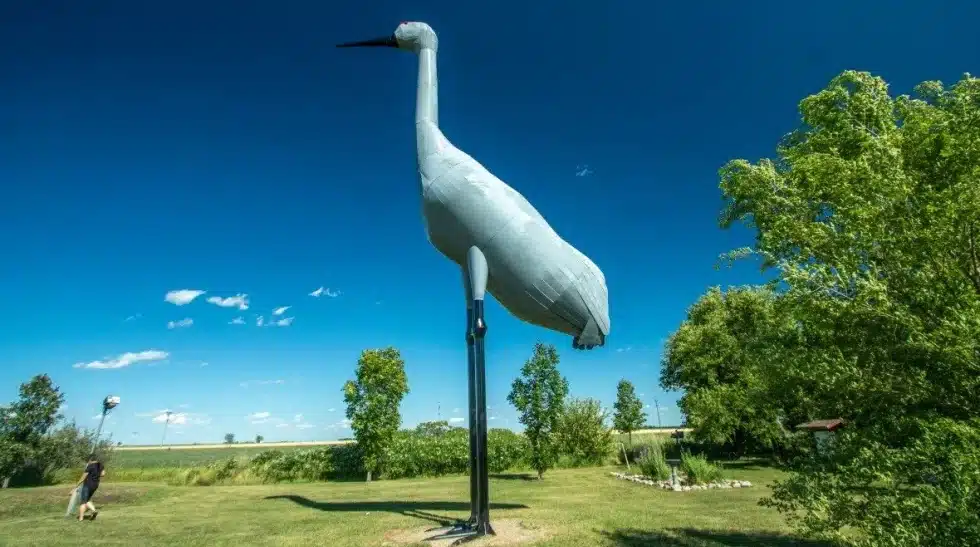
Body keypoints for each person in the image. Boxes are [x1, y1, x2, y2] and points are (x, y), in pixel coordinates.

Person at [73, 454, 105, 521]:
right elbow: (103, 474)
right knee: (88, 500)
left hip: (87, 485)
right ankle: (93, 511)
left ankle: (81, 518)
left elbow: (83, 477)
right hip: (95, 485)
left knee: (83, 502)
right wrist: (95, 475)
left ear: (90, 459)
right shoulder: (101, 465)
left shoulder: (90, 466)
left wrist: (76, 485)